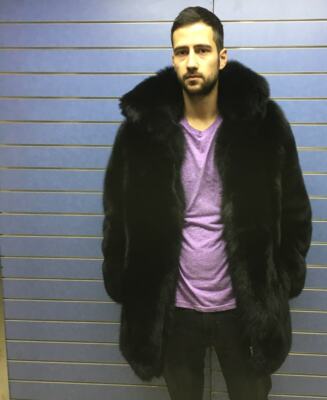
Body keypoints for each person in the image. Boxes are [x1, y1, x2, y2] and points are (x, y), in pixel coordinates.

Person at [101, 6, 312, 400]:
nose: (192, 61)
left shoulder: (262, 126)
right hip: (174, 311)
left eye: (202, 49)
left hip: (244, 310)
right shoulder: (141, 134)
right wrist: (122, 278)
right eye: (182, 52)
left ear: (222, 56)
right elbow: (117, 214)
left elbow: (295, 212)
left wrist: (281, 280)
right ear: (173, 59)